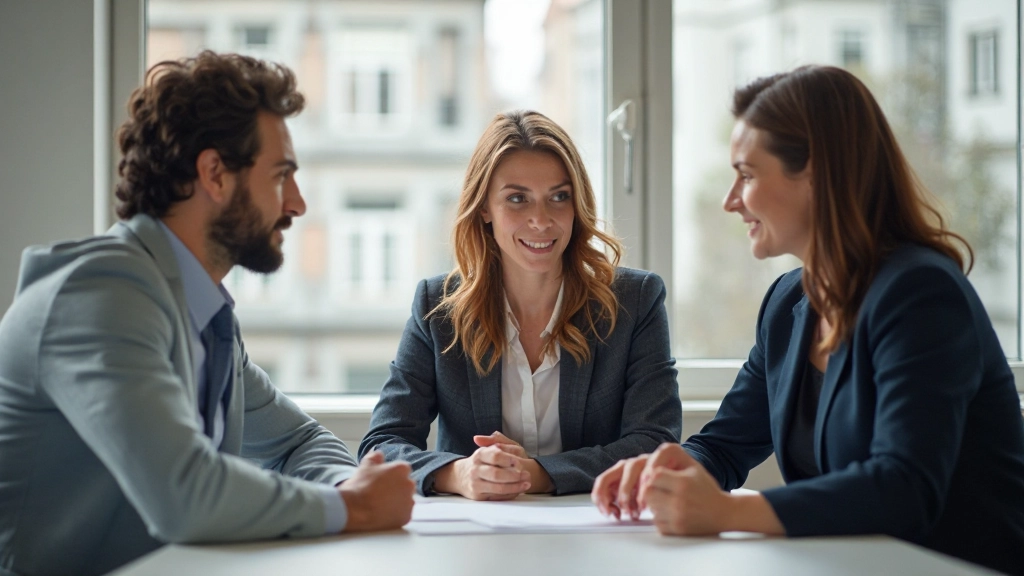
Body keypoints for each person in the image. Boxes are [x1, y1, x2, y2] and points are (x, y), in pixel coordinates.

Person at [592, 65, 1024, 576]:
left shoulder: (920, 294)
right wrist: (674, 468)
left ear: (817, 173)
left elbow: (905, 488)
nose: (732, 200)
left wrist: (728, 512)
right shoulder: (788, 302)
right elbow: (727, 445)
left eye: (748, 175)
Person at [0, 51, 415, 576]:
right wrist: (351, 507)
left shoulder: (203, 314)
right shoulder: (101, 296)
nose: (298, 203)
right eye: (281, 175)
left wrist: (344, 484)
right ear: (215, 174)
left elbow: (299, 441)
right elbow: (185, 493)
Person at [359, 110, 682, 500]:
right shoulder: (437, 308)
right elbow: (382, 444)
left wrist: (537, 474)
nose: (541, 220)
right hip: (476, 536)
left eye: (558, 197)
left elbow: (654, 442)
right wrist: (458, 474)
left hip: (596, 528)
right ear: (483, 209)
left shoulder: (636, 301)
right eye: (517, 199)